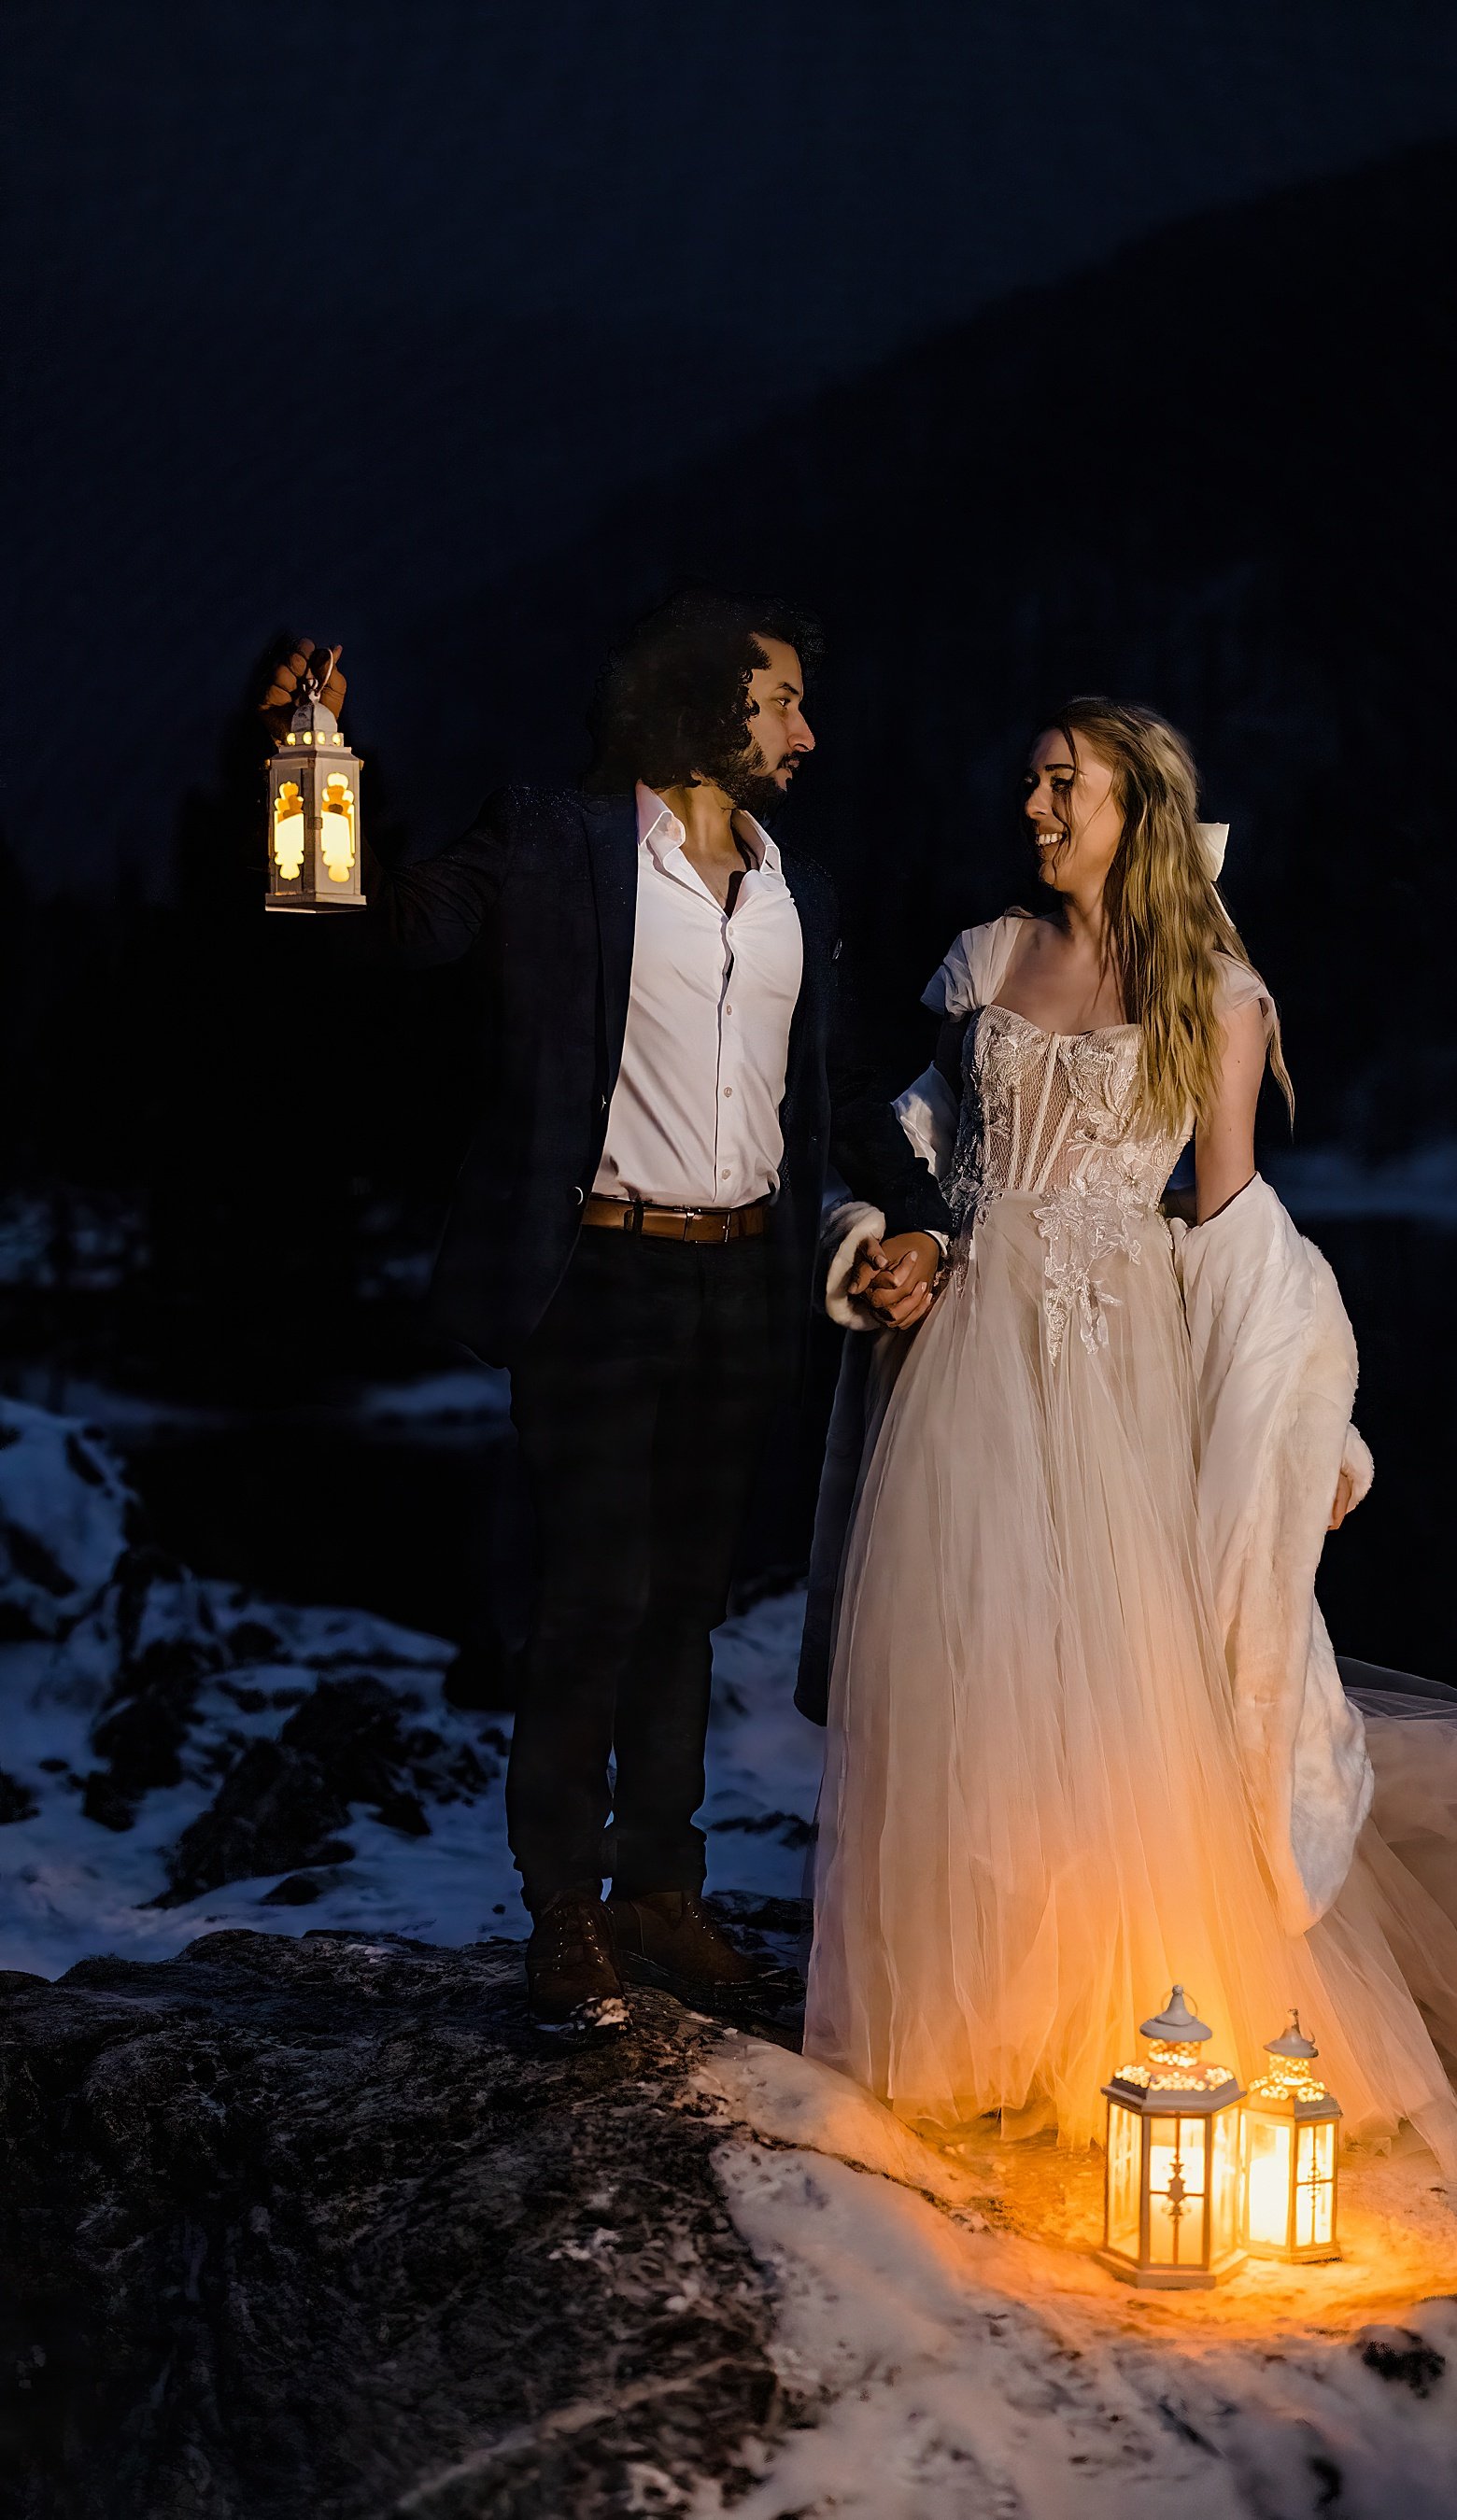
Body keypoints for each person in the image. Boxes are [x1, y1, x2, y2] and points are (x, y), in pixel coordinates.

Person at [803, 698, 1457, 2171]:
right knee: (985, 1678)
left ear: (1137, 803)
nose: (1032, 804)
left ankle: (1124, 2019)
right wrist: (890, 1239)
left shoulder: (1216, 994)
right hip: (969, 1362)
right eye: (1027, 779)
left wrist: (1309, 1425)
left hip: (1117, 1360)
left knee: (1126, 1691)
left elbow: (1227, 1221)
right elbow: (927, 1157)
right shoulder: (990, 958)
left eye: (1062, 783)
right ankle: (983, 2021)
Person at [261, 591, 950, 2034]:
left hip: (742, 1284)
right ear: (702, 707)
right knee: (592, 1604)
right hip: (596, 1275)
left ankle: (661, 1894)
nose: (808, 733)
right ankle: (563, 1911)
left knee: (685, 1610)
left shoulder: (795, 892)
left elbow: (825, 1094)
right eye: (782, 704)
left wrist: (930, 1217)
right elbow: (360, 932)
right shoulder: (551, 843)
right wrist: (308, 762)